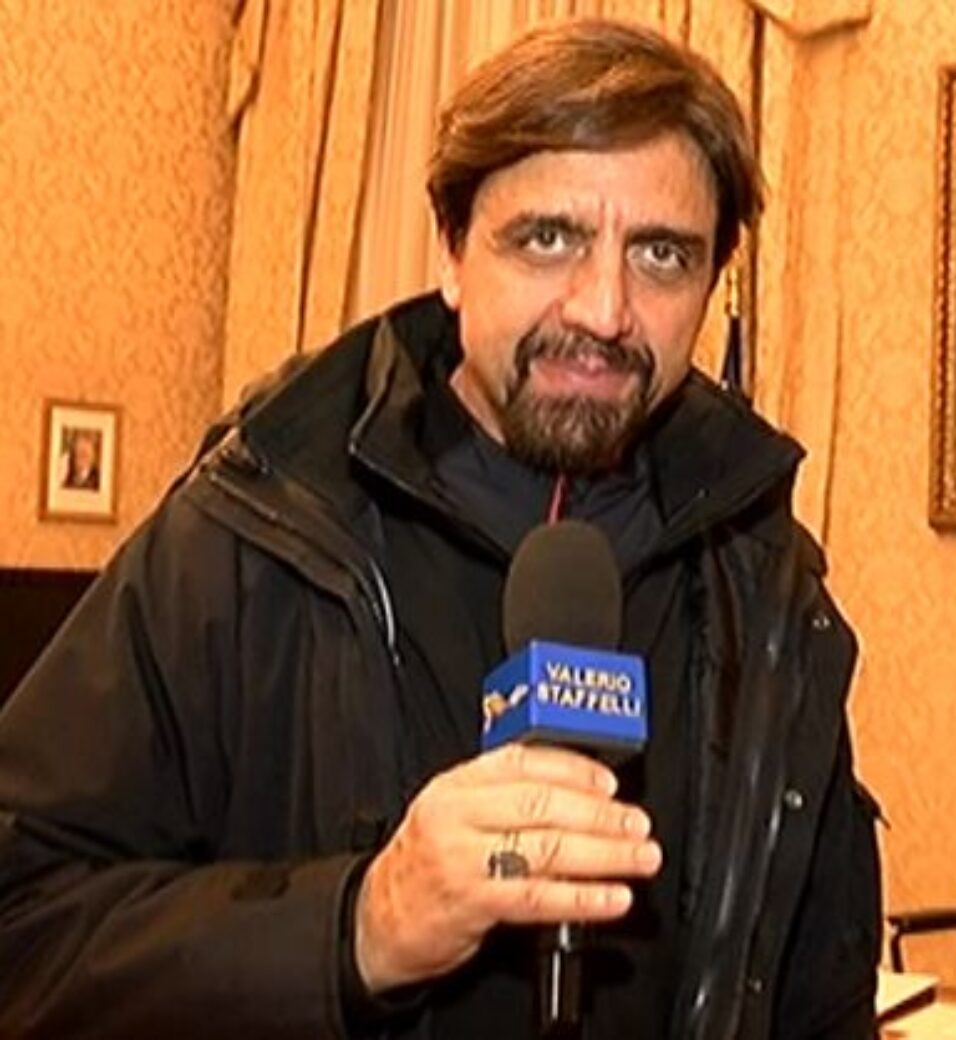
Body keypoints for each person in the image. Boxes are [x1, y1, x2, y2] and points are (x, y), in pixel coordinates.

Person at [0, 18, 880, 1040]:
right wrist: (358, 925)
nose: (604, 310)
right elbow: (22, 924)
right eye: (548, 238)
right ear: (454, 253)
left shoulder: (768, 590)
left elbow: (822, 1002)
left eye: (661, 254)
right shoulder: (255, 531)